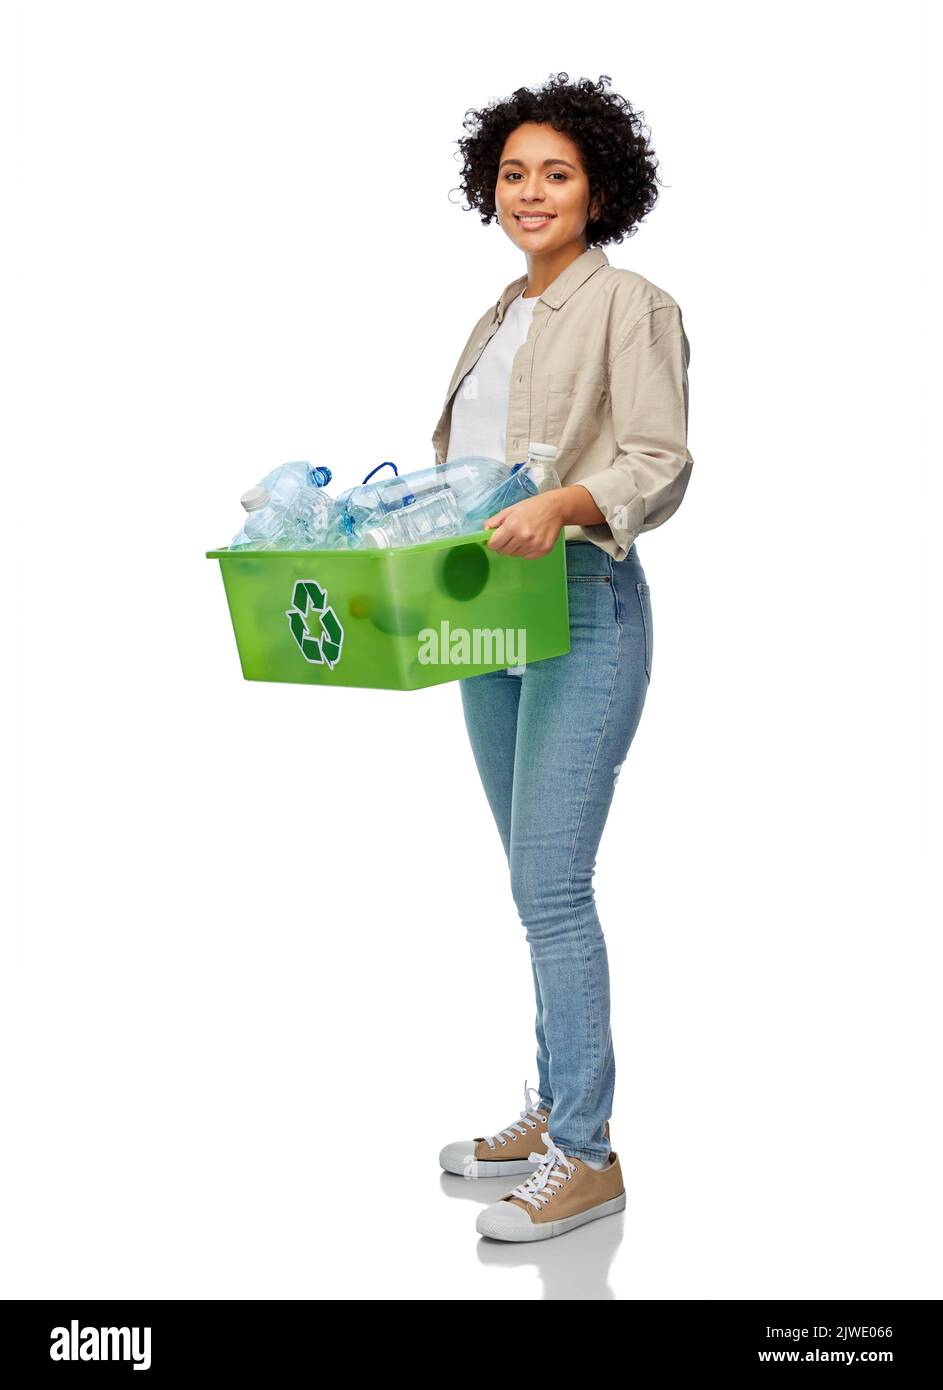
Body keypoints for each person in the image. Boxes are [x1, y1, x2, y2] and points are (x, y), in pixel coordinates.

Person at [433, 72, 694, 1243]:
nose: (530, 192)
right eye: (512, 173)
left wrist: (570, 503)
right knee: (529, 889)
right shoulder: (498, 314)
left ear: (599, 188)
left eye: (557, 173)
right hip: (485, 612)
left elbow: (659, 460)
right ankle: (549, 1111)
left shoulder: (629, 302)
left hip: (581, 598)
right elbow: (470, 471)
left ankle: (587, 1154)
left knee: (552, 887)